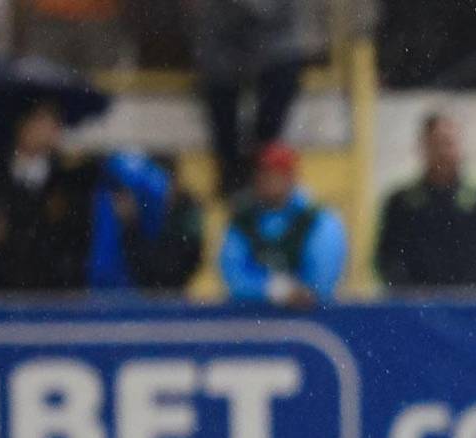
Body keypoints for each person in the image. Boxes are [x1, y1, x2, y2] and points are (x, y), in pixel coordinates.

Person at [375, 112, 476, 289]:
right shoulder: (402, 202)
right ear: (422, 146)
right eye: (435, 144)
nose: (442, 152)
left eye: (448, 143)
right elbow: (385, 259)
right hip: (419, 304)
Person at [0, 101, 96, 294]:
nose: (49, 129)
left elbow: (80, 239)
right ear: (22, 124)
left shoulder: (70, 180)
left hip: (56, 296)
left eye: (54, 121)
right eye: (41, 120)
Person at [188, 0, 321, 195]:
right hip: (224, 44)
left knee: (279, 89)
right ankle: (233, 170)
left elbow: (264, 10)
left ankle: (261, 163)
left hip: (276, 44)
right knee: (219, 92)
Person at [220, 142, 347, 308]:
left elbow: (322, 281)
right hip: (251, 317)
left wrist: (299, 292)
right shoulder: (243, 220)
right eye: (265, 174)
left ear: (292, 177)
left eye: (278, 174)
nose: (270, 181)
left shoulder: (319, 220)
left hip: (309, 316)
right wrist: (272, 290)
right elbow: (234, 276)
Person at [89, 152, 203, 292]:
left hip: (141, 287)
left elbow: (164, 270)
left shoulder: (180, 215)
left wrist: (131, 226)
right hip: (112, 282)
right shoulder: (113, 183)